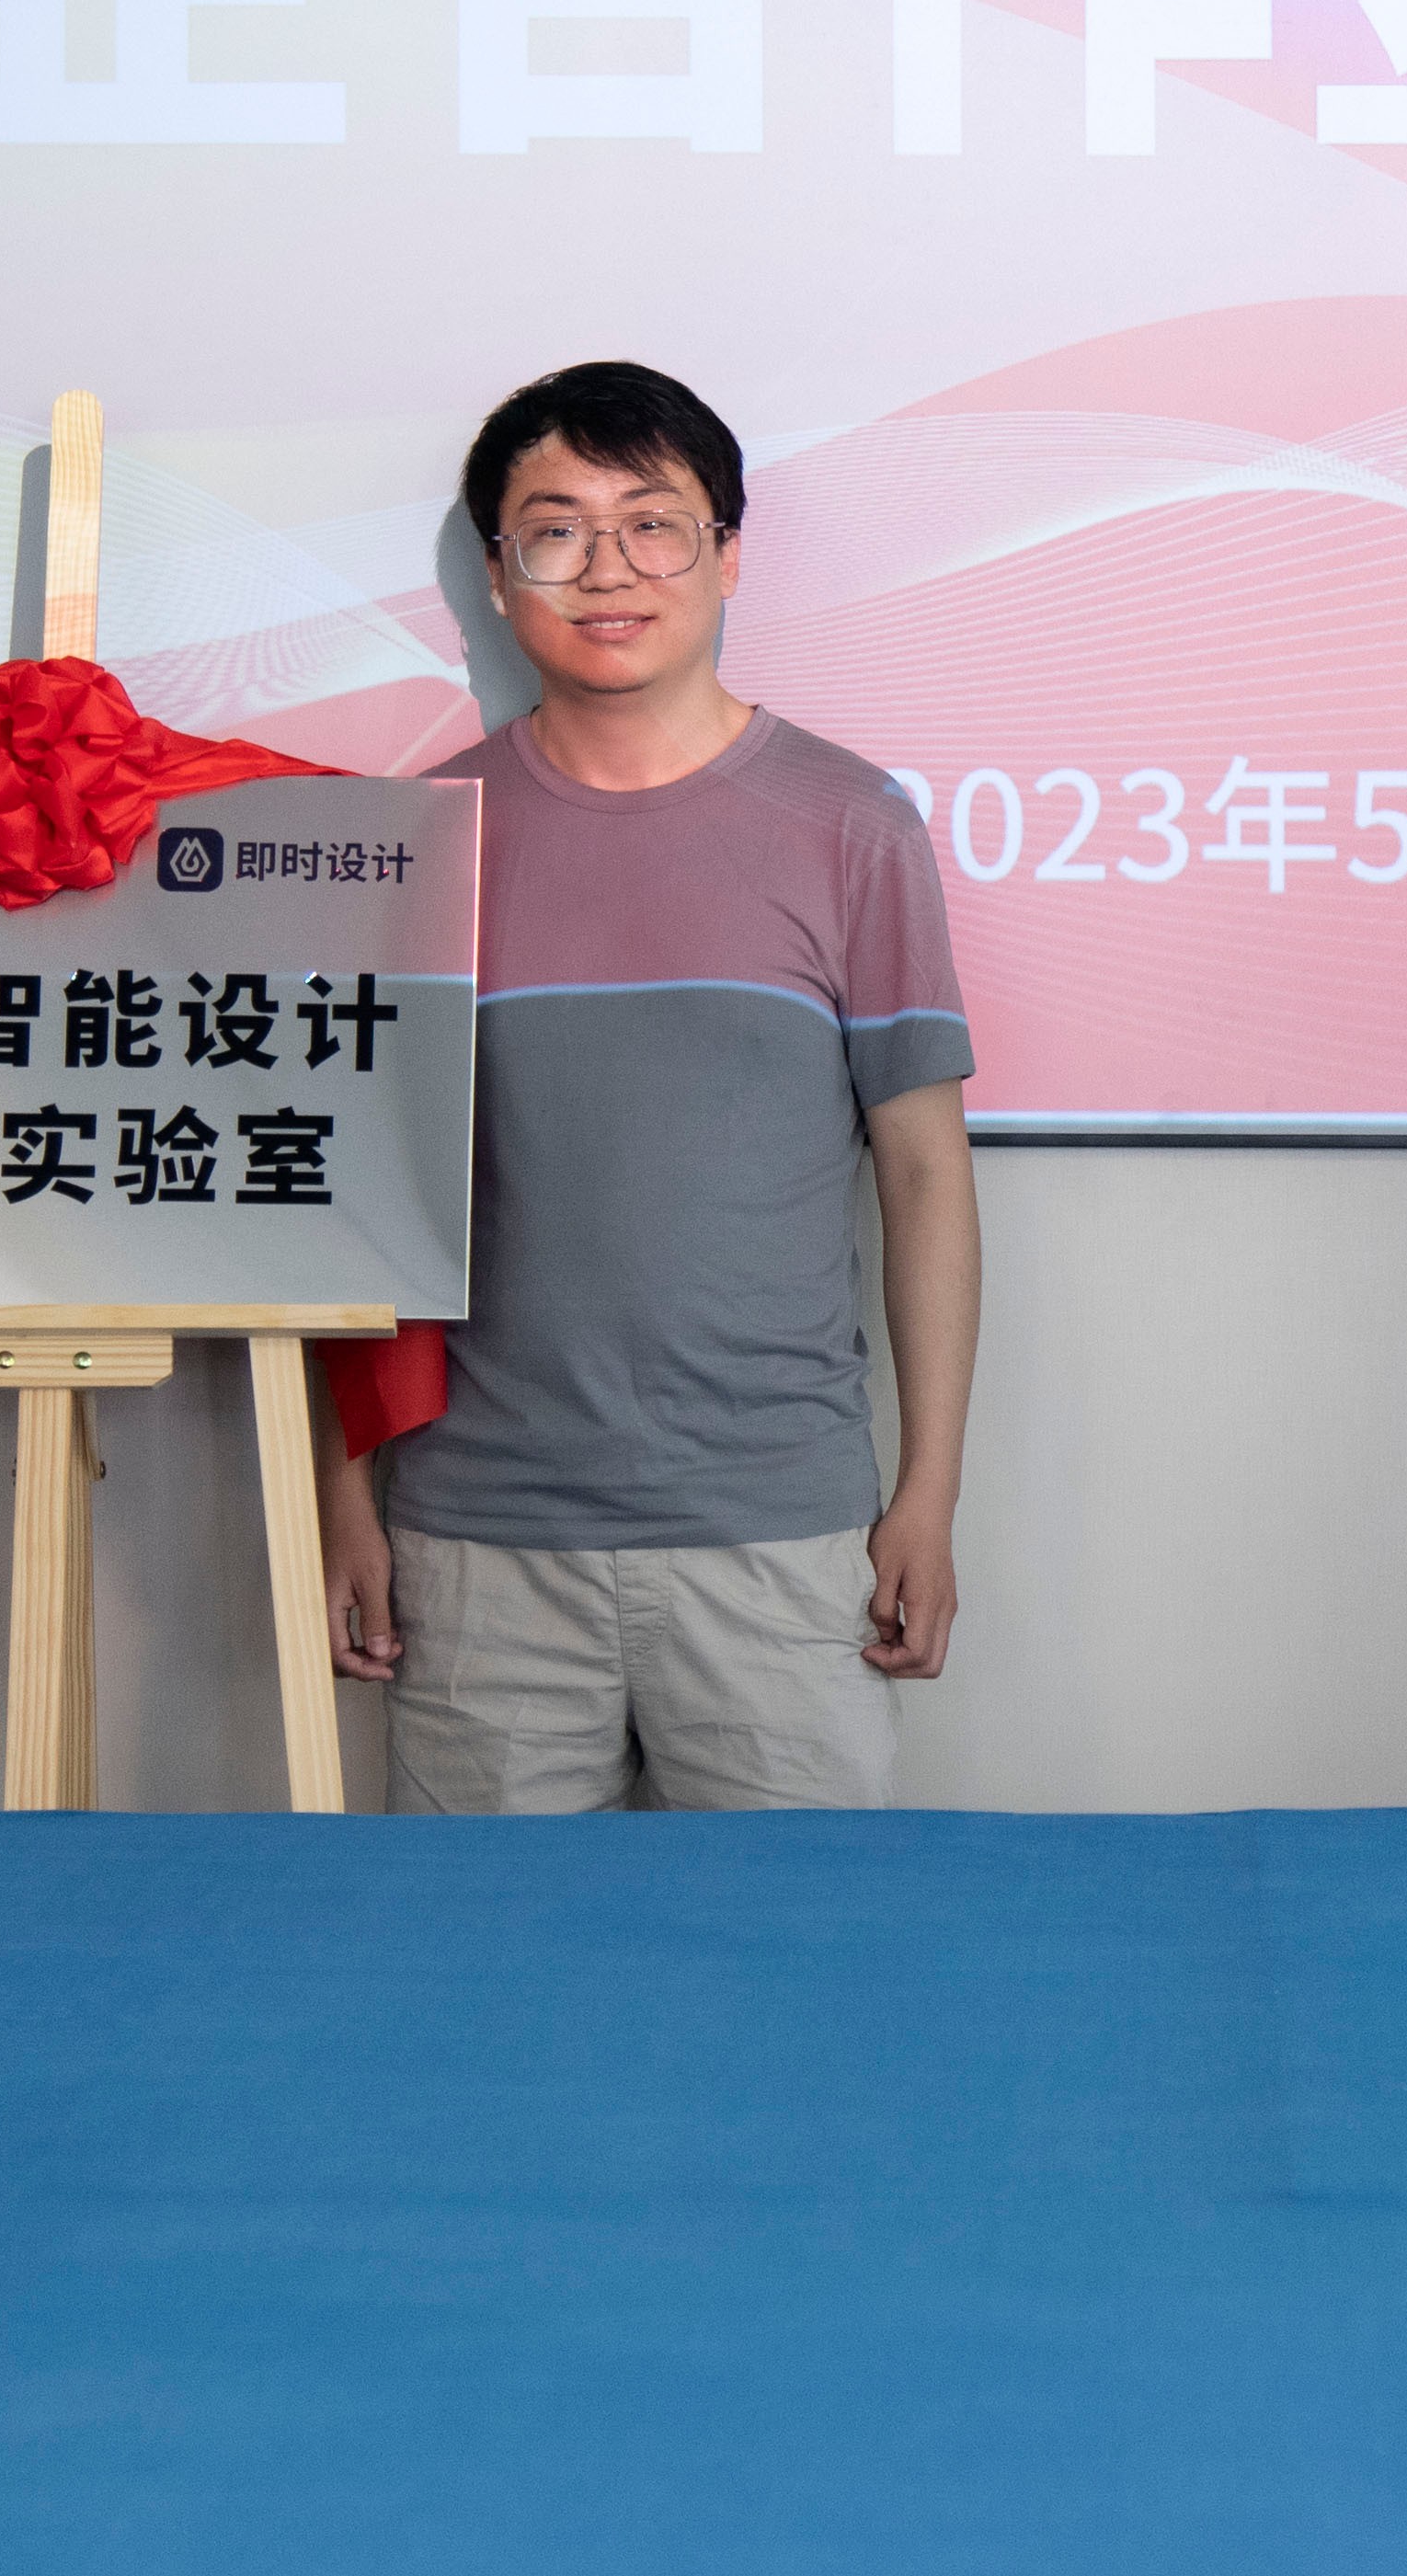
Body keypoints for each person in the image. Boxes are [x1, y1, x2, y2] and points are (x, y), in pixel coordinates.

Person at [316, 361, 979, 1811]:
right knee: (489, 1951)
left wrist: (926, 1493)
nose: (606, 567)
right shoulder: (420, 840)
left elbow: (926, 1173)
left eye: (652, 523)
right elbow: (353, 1198)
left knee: (793, 1943)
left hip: (779, 1537)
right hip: (476, 1544)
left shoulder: (852, 824)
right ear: (499, 574)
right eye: (556, 529)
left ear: (726, 556)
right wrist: (339, 1497)